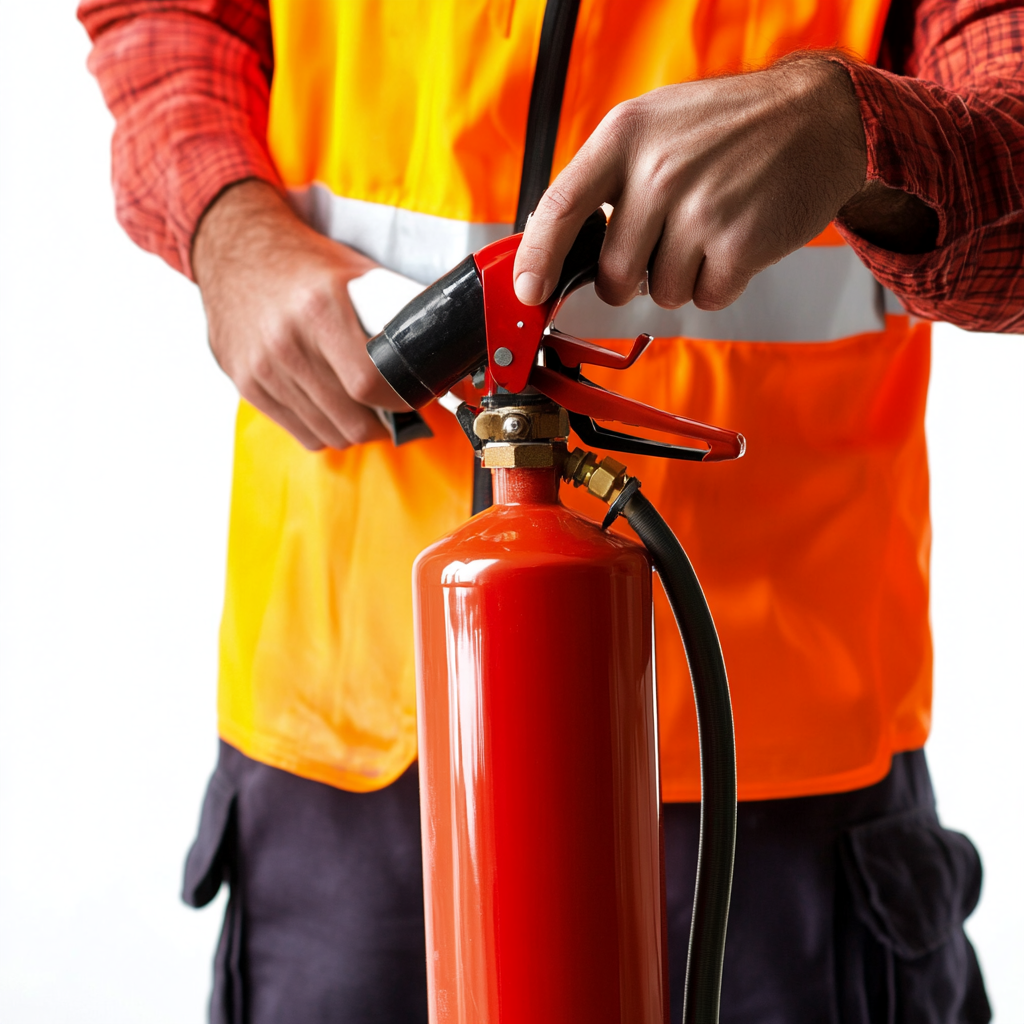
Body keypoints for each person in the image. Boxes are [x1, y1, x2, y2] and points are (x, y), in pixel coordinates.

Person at [78, 0, 1022, 1021]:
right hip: (339, 762)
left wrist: (852, 128)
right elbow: (164, 20)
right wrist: (226, 222)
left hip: (764, 799)